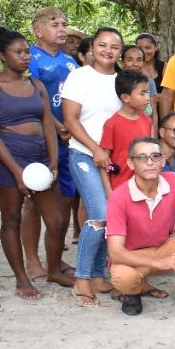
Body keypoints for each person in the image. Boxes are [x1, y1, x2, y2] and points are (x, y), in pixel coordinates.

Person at [0, 26, 66, 301]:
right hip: (8, 159)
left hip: (39, 157)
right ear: (2, 56)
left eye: (27, 51)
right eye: (18, 52)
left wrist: (52, 162)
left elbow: (48, 124)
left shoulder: (36, 85)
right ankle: (22, 277)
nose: (25, 57)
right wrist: (16, 171)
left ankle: (53, 269)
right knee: (12, 218)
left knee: (58, 220)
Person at [104, 137, 175, 316]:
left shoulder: (173, 181)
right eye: (142, 157)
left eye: (155, 156)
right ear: (131, 163)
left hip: (163, 247)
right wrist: (159, 262)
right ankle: (132, 293)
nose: (150, 162)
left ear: (163, 161)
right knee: (123, 277)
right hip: (132, 256)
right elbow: (115, 252)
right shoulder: (119, 197)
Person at [61, 27, 125, 308]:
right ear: (92, 47)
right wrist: (96, 149)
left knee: (112, 215)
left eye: (114, 46)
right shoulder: (79, 76)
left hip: (115, 160)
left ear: (120, 52)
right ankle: (82, 278)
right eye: (102, 45)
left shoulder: (123, 80)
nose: (108, 50)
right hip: (84, 154)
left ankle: (99, 274)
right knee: (98, 214)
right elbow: (71, 120)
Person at [24, 6, 80, 283]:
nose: (62, 29)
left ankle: (55, 259)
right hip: (42, 139)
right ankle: (33, 261)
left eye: (64, 23)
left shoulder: (71, 62)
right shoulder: (30, 59)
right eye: (55, 24)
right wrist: (58, 126)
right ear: (38, 30)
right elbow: (34, 98)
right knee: (36, 200)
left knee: (64, 199)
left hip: (70, 141)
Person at [100, 70, 155, 190]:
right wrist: (110, 193)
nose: (147, 98)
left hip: (145, 188)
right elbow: (104, 164)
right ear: (125, 97)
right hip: (121, 189)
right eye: (142, 94)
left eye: (148, 93)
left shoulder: (147, 121)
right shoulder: (111, 124)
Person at [119, 45, 159, 131]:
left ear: (144, 63)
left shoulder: (149, 82)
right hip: (123, 130)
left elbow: (154, 114)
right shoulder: (118, 82)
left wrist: (154, 139)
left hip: (145, 132)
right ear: (122, 63)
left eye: (139, 59)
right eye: (130, 59)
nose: (135, 64)